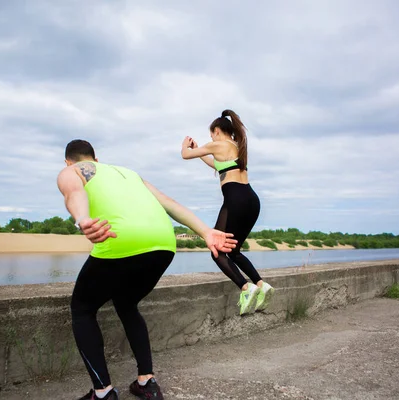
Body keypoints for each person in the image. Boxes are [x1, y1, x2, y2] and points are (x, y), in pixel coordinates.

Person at [57, 139, 238, 400]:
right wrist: (206, 232)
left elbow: (74, 193)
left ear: (68, 161)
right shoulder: (129, 174)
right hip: (163, 243)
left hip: (121, 240)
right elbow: (169, 203)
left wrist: (83, 219)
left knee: (82, 309)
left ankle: (103, 392)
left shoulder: (71, 171)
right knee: (126, 303)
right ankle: (146, 381)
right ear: (96, 159)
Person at [180, 109, 275, 316]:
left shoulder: (217, 144)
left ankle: (245, 287)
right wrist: (201, 152)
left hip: (235, 200)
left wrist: (186, 146)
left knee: (217, 251)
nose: (210, 139)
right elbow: (216, 164)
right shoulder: (237, 146)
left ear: (216, 130)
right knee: (234, 250)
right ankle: (260, 284)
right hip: (251, 200)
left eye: (211, 134)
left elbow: (185, 155)